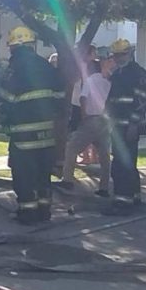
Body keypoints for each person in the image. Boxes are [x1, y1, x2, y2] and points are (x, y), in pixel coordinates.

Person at [0, 26, 65, 224]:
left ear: (15, 46)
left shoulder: (14, 69)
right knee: (43, 174)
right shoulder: (46, 66)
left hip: (23, 136)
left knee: (24, 175)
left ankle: (28, 213)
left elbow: (5, 101)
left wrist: (6, 124)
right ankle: (44, 211)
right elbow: (60, 96)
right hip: (46, 134)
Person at [102, 38, 146, 215]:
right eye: (115, 56)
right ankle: (134, 195)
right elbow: (113, 100)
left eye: (121, 55)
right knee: (126, 162)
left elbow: (143, 100)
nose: (118, 58)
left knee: (123, 164)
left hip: (130, 127)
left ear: (129, 53)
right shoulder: (118, 74)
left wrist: (134, 123)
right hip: (117, 126)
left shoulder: (139, 74)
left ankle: (123, 201)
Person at [57, 57, 113, 197]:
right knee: (104, 156)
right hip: (105, 120)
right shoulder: (109, 81)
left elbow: (83, 97)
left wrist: (84, 115)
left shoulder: (90, 80)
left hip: (91, 119)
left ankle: (67, 180)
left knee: (71, 148)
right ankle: (104, 187)